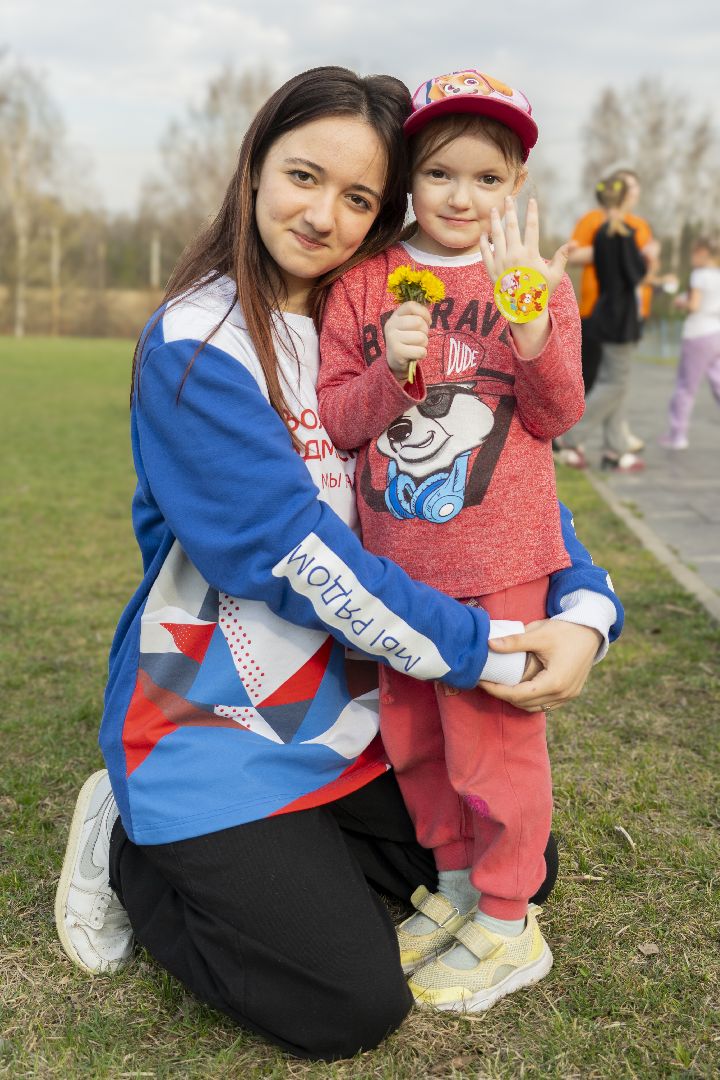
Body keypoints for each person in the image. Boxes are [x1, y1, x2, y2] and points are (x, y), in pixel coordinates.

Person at [54, 67, 622, 1061]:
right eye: (303, 176)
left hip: (359, 715)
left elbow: (503, 491)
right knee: (346, 1007)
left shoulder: (380, 317)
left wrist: (585, 611)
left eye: (359, 197)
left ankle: (288, 868)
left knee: (519, 863)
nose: (324, 215)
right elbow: (295, 559)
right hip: (216, 723)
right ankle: (128, 842)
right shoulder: (198, 346)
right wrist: (487, 654)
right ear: (255, 166)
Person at [317, 68, 593, 1014]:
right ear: (410, 179)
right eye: (440, 174)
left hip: (499, 566)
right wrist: (393, 370)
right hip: (397, 575)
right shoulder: (362, 284)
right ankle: (461, 887)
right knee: (419, 743)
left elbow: (557, 414)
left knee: (492, 749)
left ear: (516, 182)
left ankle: (512, 921)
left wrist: (533, 331)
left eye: (486, 177)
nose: (462, 197)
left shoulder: (532, 283)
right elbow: (343, 422)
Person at [557, 176, 648, 471]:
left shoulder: (601, 232)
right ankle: (568, 439)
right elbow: (636, 274)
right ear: (623, 199)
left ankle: (614, 451)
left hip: (603, 311)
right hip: (619, 318)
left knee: (613, 382)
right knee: (614, 383)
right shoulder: (625, 233)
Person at [568, 168, 657, 399]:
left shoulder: (635, 226)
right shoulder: (604, 225)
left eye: (635, 186)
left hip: (629, 311)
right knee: (600, 379)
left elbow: (640, 269)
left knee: (616, 380)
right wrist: (635, 257)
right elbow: (574, 254)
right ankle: (574, 432)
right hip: (607, 313)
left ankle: (614, 434)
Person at [659, 235, 720, 449]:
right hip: (716, 334)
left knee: (686, 387)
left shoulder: (700, 275)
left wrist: (681, 302)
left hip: (698, 335)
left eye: (694, 252)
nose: (691, 257)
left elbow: (694, 306)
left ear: (703, 252)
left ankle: (678, 436)